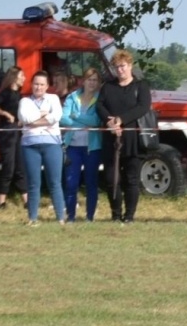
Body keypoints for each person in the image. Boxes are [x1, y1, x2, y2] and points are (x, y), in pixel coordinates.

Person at [97, 49, 153, 223]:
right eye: (116, 67)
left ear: (130, 66)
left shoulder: (141, 86)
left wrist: (121, 120)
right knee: (111, 179)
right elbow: (99, 106)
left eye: (122, 66)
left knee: (131, 179)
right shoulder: (108, 86)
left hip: (132, 139)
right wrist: (110, 122)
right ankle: (115, 214)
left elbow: (143, 107)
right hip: (111, 138)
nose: (120, 70)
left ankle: (129, 216)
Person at [19, 71, 66, 226]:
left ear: (47, 86)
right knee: (33, 183)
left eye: (41, 84)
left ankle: (60, 218)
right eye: (36, 84)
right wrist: (44, 117)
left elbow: (56, 117)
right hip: (29, 145)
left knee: (55, 182)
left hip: (52, 144)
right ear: (31, 85)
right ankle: (32, 218)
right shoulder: (24, 101)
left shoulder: (53, 98)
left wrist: (34, 120)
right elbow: (24, 118)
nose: (38, 87)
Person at [60, 67, 103, 221]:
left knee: (91, 183)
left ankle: (89, 216)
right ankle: (70, 216)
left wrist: (76, 116)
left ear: (98, 83)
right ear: (83, 80)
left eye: (95, 80)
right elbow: (63, 119)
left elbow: (96, 121)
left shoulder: (100, 98)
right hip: (72, 146)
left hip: (92, 148)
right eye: (89, 79)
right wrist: (85, 121)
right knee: (71, 183)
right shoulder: (72, 97)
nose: (91, 83)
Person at [0, 67, 27, 209]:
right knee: (8, 167)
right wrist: (5, 114)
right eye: (22, 75)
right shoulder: (7, 92)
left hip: (17, 132)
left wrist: (20, 120)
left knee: (20, 167)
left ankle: (26, 201)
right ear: (14, 77)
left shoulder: (19, 94)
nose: (24, 78)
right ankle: (1, 201)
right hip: (6, 134)